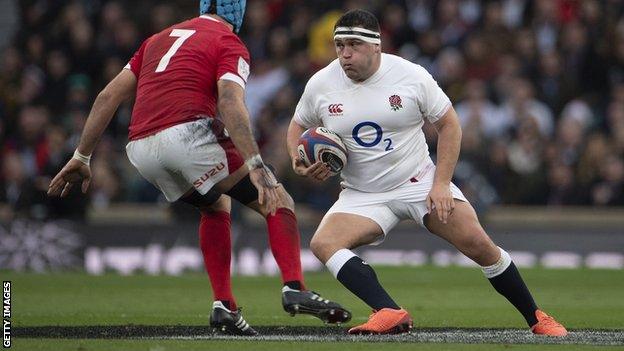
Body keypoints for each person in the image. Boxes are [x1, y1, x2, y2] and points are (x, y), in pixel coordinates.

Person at [47, 0, 351, 336]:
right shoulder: (228, 42)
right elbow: (230, 100)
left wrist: (82, 156)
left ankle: (224, 307)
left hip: (141, 148)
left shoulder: (156, 39)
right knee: (277, 200)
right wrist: (255, 163)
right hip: (188, 134)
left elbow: (107, 96)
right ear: (238, 11)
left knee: (214, 204)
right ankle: (295, 287)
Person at [286, 9, 567, 336]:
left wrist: (442, 183)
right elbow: (297, 125)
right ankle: (388, 311)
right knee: (323, 243)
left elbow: (449, 125)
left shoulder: (410, 76)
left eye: (353, 45)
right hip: (363, 193)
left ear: (376, 45)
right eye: (339, 45)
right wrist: (297, 158)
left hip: (418, 183)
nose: (344, 54)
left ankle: (537, 318)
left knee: (479, 244)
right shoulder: (321, 83)